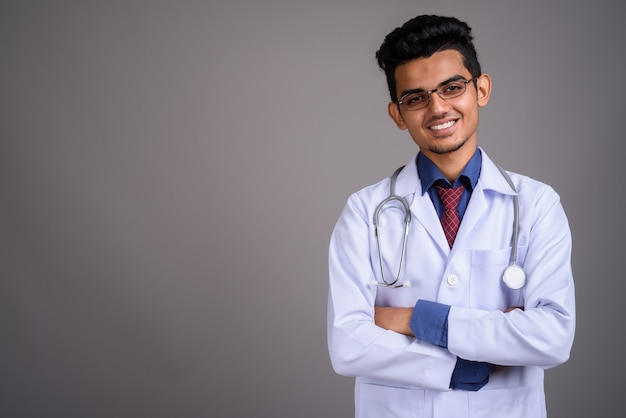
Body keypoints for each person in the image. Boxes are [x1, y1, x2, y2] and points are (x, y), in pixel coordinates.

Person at [327, 15, 575, 418]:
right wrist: (460, 362)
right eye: (416, 97)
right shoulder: (364, 212)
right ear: (397, 114)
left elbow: (552, 338)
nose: (438, 108)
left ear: (481, 90)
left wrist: (415, 319)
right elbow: (348, 345)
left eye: (452, 88)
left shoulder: (536, 204)